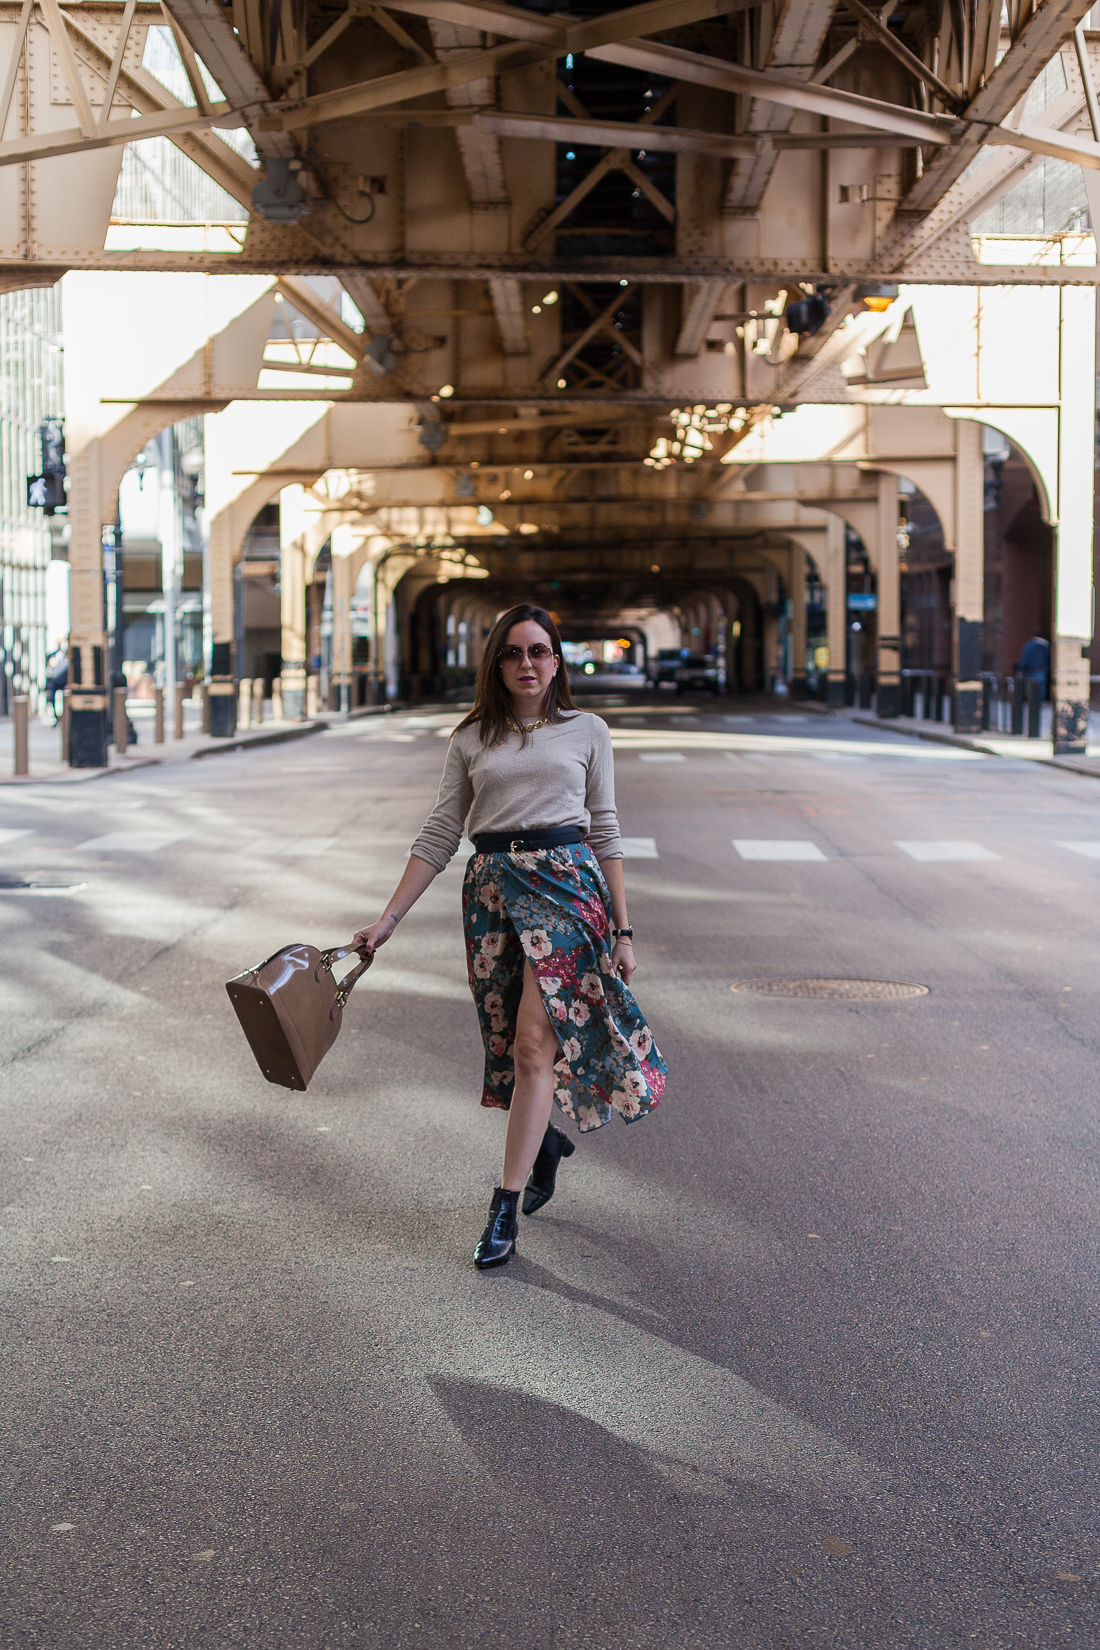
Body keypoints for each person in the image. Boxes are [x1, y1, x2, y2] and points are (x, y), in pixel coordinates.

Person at [352, 602, 668, 1270]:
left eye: (540, 652)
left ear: (558, 660)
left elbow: (605, 830)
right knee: (507, 1048)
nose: (528, 664)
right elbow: (441, 832)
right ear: (496, 663)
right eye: (514, 653)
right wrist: (388, 919)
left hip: (567, 888)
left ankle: (503, 1207)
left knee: (532, 1045)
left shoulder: (587, 731)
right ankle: (545, 1144)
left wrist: (624, 929)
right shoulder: (471, 738)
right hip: (493, 893)